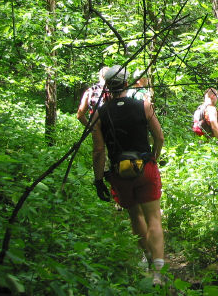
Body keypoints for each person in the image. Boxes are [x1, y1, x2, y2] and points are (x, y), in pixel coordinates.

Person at [90, 65, 166, 285]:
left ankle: (149, 258)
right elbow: (159, 137)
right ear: (126, 84)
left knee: (135, 217)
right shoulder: (144, 105)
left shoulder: (99, 114)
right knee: (154, 218)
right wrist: (154, 157)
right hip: (146, 167)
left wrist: (98, 180)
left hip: (119, 172)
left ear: (107, 86)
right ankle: (158, 274)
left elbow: (98, 150)